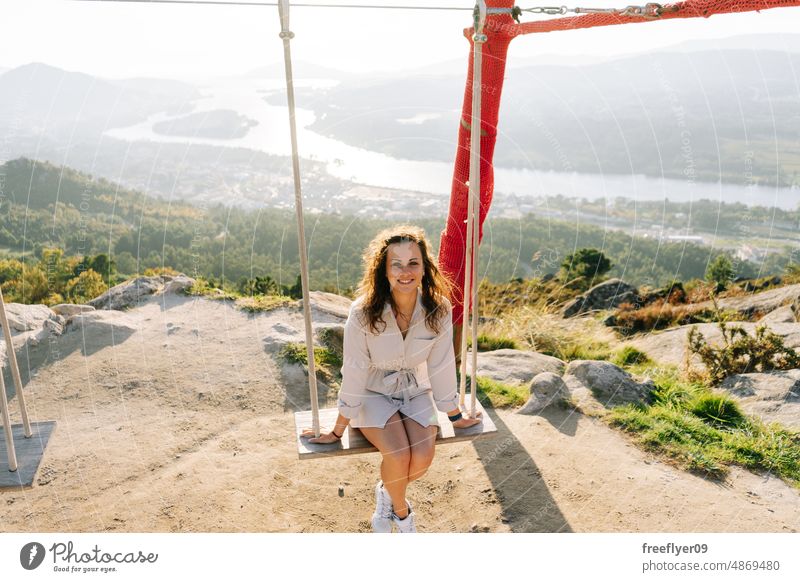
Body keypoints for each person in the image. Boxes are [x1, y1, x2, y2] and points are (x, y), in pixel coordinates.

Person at [301, 225, 482, 533]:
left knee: (422, 458)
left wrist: (454, 413)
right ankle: (401, 514)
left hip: (415, 387)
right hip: (372, 391)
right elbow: (356, 370)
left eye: (413, 263)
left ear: (424, 268)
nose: (405, 271)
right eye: (396, 264)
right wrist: (337, 430)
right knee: (398, 455)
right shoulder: (363, 313)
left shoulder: (438, 309)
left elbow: (440, 367)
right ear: (383, 270)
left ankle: (387, 490)